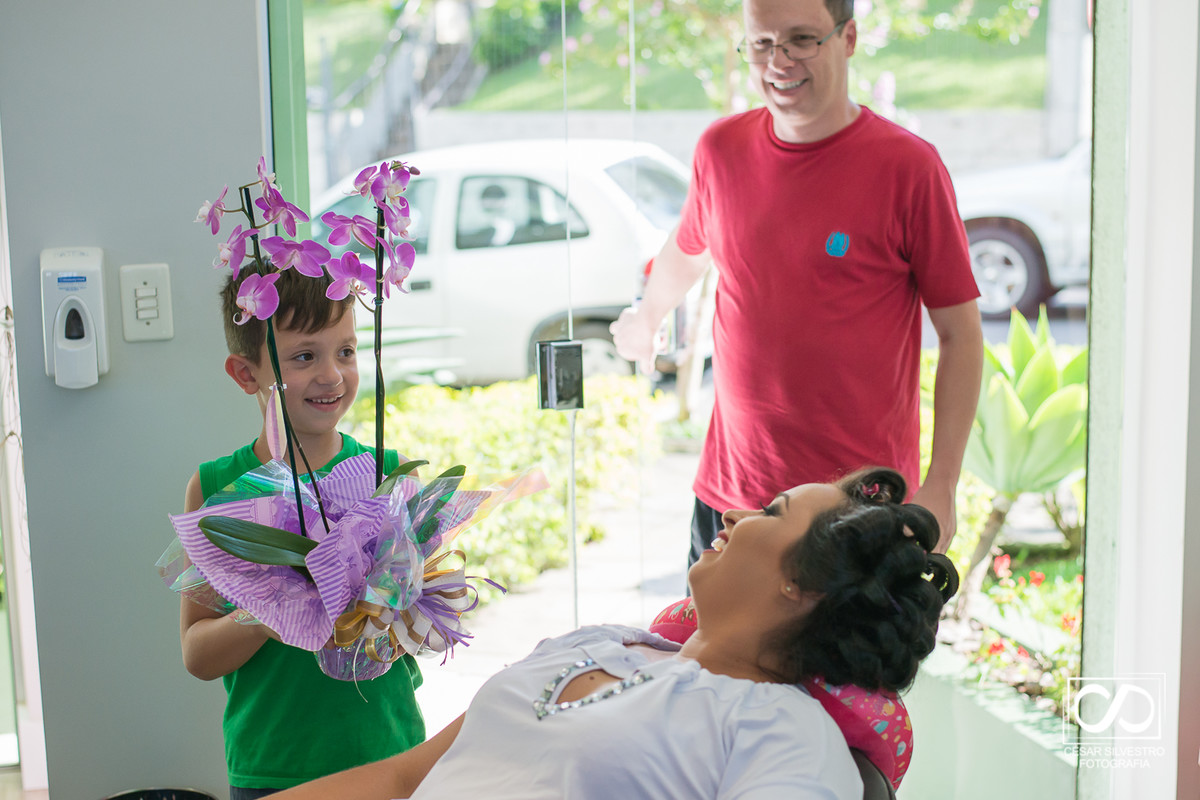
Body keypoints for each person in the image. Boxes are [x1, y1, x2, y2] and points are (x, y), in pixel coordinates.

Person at [271, 466, 958, 800]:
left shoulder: (783, 733)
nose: (734, 514)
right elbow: (398, 780)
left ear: (801, 587)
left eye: (771, 513)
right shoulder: (597, 642)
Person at [611, 0, 984, 560]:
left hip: (860, 513)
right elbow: (689, 250)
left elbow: (961, 335)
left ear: (849, 37)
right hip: (731, 505)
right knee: (705, 652)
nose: (778, 61)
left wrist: (944, 484)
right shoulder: (720, 150)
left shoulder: (909, 168)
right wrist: (647, 318)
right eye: (761, 43)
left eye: (801, 39)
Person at [178, 265, 426, 798]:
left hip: (387, 755)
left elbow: (418, 634)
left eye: (346, 351)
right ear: (247, 374)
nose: (333, 375)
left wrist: (400, 600)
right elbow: (197, 654)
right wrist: (272, 612)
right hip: (273, 767)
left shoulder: (391, 475)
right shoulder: (218, 488)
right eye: (304, 356)